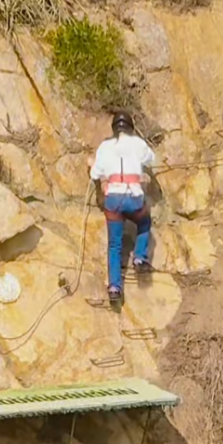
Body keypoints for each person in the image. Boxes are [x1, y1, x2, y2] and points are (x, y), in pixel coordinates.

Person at [90, 111, 155, 302]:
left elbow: (95, 173)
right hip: (133, 197)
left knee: (114, 245)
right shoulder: (138, 144)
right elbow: (152, 159)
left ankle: (114, 288)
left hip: (113, 200)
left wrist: (94, 167)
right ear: (130, 127)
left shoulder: (104, 146)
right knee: (144, 223)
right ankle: (140, 257)